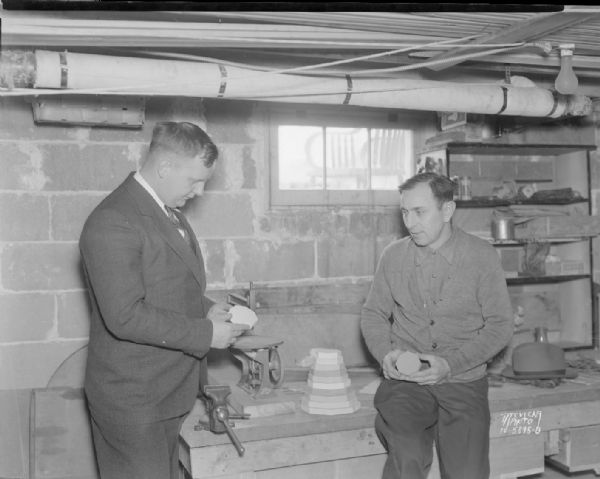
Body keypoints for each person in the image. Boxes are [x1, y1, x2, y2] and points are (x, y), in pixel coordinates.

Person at [79, 122, 249, 479]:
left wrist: (207, 309)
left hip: (167, 392)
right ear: (165, 167)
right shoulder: (114, 220)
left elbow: (164, 287)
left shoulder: (170, 214)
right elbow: (124, 315)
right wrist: (206, 335)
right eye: (194, 180)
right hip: (133, 401)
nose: (200, 191)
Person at [360, 172, 513, 479]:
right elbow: (373, 314)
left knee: (467, 472)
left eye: (420, 212)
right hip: (407, 383)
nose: (411, 223)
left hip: (463, 383)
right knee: (408, 455)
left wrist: (451, 364)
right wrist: (385, 354)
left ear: (447, 211)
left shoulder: (481, 257)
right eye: (405, 212)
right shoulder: (393, 257)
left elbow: (500, 325)